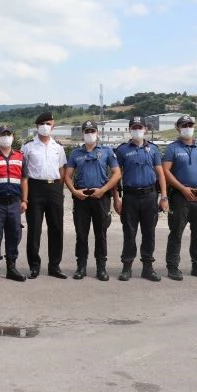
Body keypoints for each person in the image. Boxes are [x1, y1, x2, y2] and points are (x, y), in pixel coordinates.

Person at [64, 120, 121, 281]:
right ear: (83, 134)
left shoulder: (107, 152)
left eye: (92, 131)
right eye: (87, 131)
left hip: (101, 197)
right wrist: (74, 191)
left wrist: (103, 190)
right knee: (81, 234)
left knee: (101, 234)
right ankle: (81, 267)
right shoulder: (75, 153)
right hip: (81, 198)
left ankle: (101, 268)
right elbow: (67, 176)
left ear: (98, 133)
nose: (90, 134)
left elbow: (116, 174)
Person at [112, 116, 167, 282]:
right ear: (130, 129)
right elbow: (115, 176)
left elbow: (160, 173)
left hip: (150, 196)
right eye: (134, 127)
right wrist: (116, 199)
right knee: (129, 233)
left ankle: (148, 268)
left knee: (149, 233)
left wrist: (164, 196)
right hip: (130, 197)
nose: (137, 130)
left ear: (146, 129)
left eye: (140, 127)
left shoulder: (154, 150)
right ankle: (127, 266)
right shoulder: (121, 150)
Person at [162, 114, 197, 281]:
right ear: (178, 127)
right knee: (176, 232)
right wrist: (182, 188)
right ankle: (172, 267)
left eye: (190, 125)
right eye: (184, 125)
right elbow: (165, 171)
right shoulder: (172, 148)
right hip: (180, 196)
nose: (188, 128)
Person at [22, 111, 68, 279]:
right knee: (34, 228)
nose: (46, 127)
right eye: (43, 124)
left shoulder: (59, 147)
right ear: (37, 126)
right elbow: (23, 173)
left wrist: (59, 189)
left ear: (53, 126)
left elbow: (62, 170)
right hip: (35, 188)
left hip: (54, 187)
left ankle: (54, 266)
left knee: (56, 227)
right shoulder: (28, 147)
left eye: (49, 124)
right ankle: (34, 266)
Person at [0, 125, 27, 283]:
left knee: (14, 234)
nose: (6, 137)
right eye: (3, 135)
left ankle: (11, 267)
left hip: (15, 202)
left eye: (8, 134)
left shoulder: (20, 157)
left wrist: (24, 200)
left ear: (13, 137)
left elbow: (24, 179)